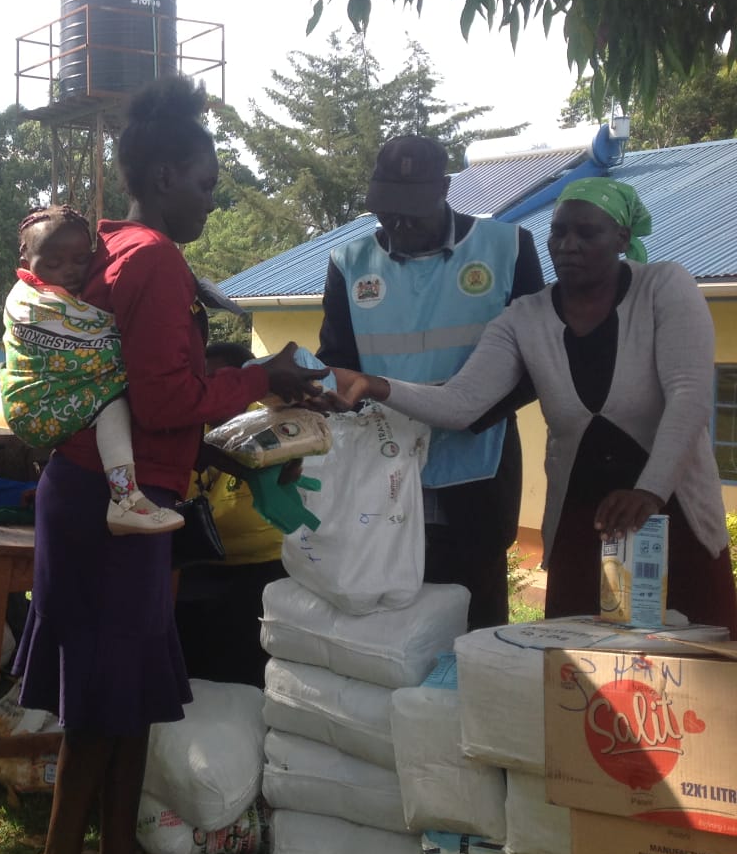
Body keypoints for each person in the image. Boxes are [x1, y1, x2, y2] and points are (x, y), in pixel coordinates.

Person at [12, 76, 326, 854]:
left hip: (120, 496)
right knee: (102, 703)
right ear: (163, 178)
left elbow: (140, 392)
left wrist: (225, 442)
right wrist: (264, 377)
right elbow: (164, 400)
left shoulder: (111, 247)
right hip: (114, 505)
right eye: (206, 183)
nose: (211, 201)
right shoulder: (152, 259)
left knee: (126, 703)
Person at [329, 177, 737, 632]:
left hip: (671, 509)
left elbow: (689, 395)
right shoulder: (525, 317)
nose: (567, 245)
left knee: (699, 662)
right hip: (585, 520)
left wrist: (649, 492)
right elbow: (462, 403)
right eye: (558, 232)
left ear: (622, 238)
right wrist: (373, 384)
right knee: (578, 665)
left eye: (587, 233)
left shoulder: (664, 287)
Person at [316, 135, 544, 630]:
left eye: (411, 209)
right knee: (393, 620)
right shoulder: (349, 264)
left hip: (476, 468)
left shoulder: (507, 247)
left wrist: (461, 412)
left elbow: (537, 361)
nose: (397, 222)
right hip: (385, 470)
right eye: (386, 210)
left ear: (444, 188)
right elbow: (337, 361)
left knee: (475, 614)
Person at [1, 205, 184, 535]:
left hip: (54, 414)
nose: (70, 271)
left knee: (108, 401)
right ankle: (125, 497)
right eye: (54, 263)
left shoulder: (75, 297)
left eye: (81, 260)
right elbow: (93, 340)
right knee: (112, 404)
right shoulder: (29, 301)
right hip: (34, 404)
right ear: (26, 262)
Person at [173, 342, 290, 689]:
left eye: (217, 378)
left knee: (240, 670)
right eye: (202, 380)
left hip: (259, 571)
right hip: (198, 568)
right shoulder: (188, 428)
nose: (209, 387)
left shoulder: (268, 425)